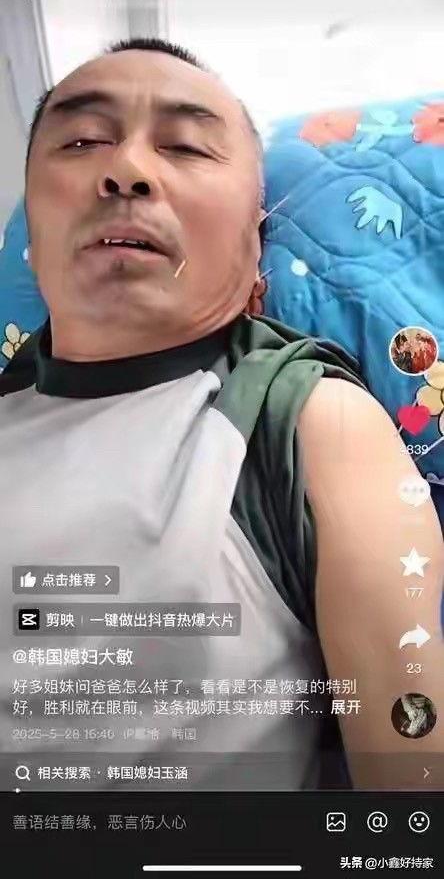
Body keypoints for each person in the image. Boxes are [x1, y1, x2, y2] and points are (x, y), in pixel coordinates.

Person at [0, 38, 443, 791]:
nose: (127, 170)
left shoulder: (305, 421)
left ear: (253, 243)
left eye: (185, 147)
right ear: (31, 238)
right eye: (81, 141)